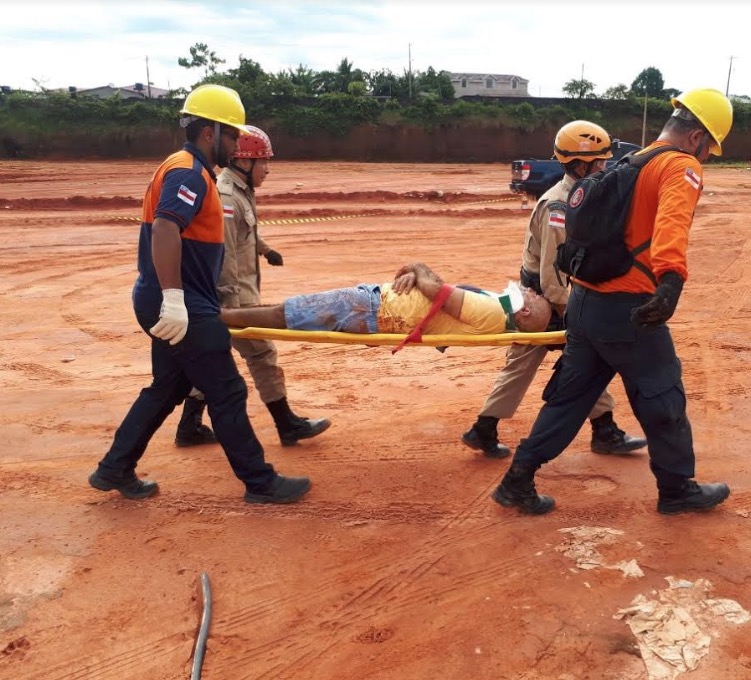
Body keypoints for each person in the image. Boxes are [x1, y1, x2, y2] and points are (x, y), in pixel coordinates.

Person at [492, 88, 734, 516]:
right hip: (629, 309)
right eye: (709, 147)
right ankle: (677, 489)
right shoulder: (680, 166)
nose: (707, 156)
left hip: (585, 302)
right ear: (697, 137)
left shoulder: (629, 161)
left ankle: (518, 479)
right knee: (663, 396)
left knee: (568, 399)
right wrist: (670, 281)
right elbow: (672, 226)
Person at [88, 84, 311, 504]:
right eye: (232, 135)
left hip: (173, 300)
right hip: (182, 304)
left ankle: (114, 467)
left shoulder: (191, 169)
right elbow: (165, 227)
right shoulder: (188, 172)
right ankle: (260, 483)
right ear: (210, 132)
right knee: (227, 391)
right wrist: (174, 299)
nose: (236, 144)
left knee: (167, 388)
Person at [462, 120, 647, 459]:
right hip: (542, 302)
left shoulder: (577, 198)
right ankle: (486, 429)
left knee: (573, 363)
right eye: (600, 162)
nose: (604, 168)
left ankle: (601, 430)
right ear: (579, 165)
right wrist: (574, 310)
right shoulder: (558, 207)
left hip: (548, 299)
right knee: (552, 363)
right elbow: (551, 273)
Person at [174, 125, 331, 448]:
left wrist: (265, 250)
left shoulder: (241, 191)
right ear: (244, 162)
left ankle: (189, 426)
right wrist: (232, 308)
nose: (268, 169)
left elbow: (246, 232)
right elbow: (226, 253)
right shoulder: (227, 196)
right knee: (262, 353)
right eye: (264, 161)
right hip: (232, 296)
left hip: (234, 295)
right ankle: (287, 424)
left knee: (212, 358)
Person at [218, 262, 552, 336]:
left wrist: (418, 269)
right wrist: (419, 274)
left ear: (524, 314)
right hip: (376, 307)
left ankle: (216, 317)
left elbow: (437, 290)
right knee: (287, 312)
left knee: (284, 314)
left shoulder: (492, 310)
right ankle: (222, 314)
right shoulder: (496, 311)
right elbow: (436, 287)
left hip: (373, 307)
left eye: (535, 298)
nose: (533, 291)